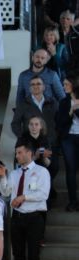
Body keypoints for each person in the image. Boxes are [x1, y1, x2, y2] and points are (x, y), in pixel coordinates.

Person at [0, 141, 50, 260]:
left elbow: (43, 195)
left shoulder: (42, 172)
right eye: (16, 153)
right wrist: (2, 178)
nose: (17, 156)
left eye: (20, 152)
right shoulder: (14, 174)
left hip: (35, 217)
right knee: (18, 253)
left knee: (33, 253)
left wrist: (23, 197)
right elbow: (6, 193)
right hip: (17, 217)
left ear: (29, 153)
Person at [55, 80, 79, 211]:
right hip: (68, 138)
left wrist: (77, 109)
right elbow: (60, 122)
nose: (63, 86)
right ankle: (72, 201)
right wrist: (71, 111)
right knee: (70, 169)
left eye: (66, 84)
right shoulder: (64, 102)